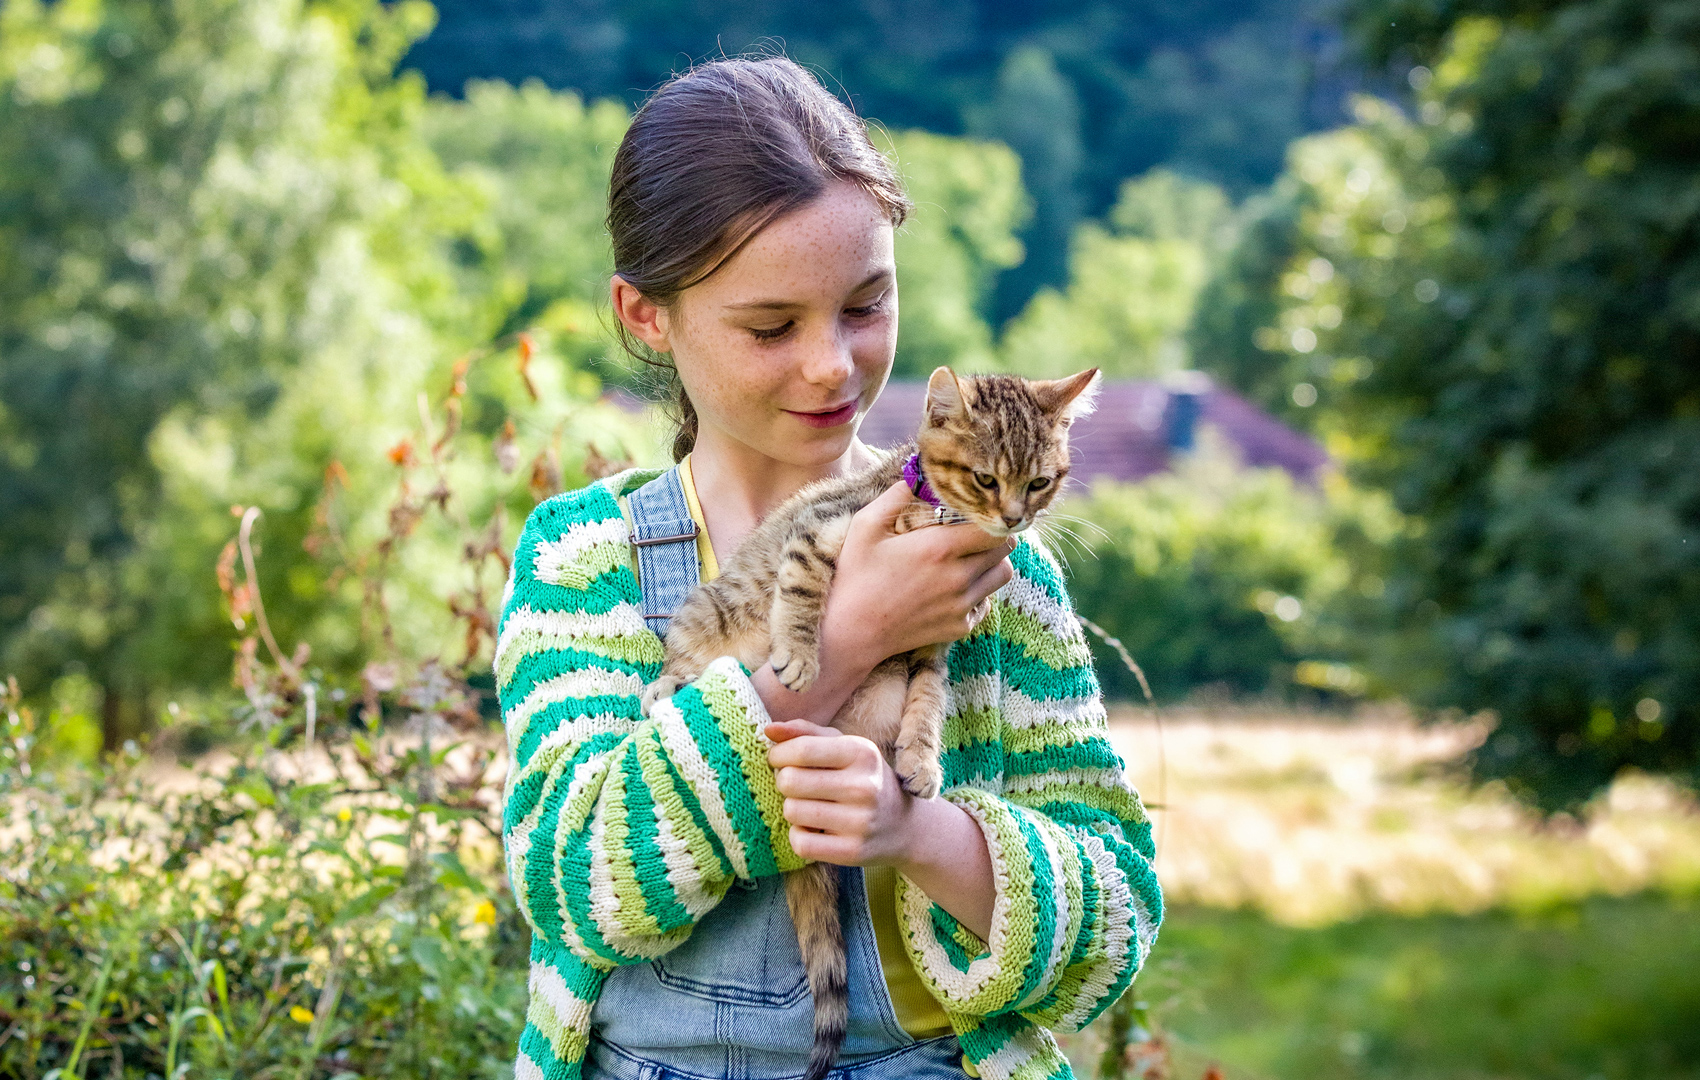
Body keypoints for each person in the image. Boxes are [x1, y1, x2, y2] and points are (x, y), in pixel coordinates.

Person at [496, 56, 1162, 1080]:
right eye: (771, 326)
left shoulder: (996, 564)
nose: (831, 366)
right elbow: (575, 887)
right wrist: (844, 643)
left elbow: (1111, 927)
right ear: (644, 315)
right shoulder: (587, 559)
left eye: (864, 307)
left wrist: (917, 830)